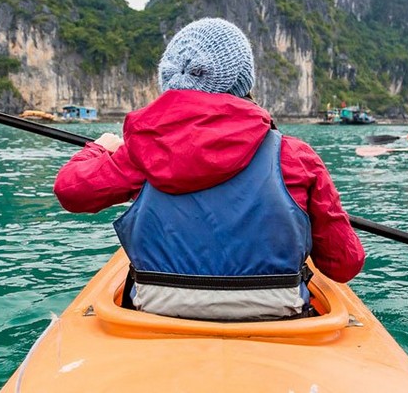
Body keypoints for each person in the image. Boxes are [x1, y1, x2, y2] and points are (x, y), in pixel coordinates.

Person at [54, 18, 365, 322]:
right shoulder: (296, 157)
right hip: (277, 315)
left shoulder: (139, 152)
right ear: (243, 81)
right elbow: (344, 265)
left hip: (157, 315)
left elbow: (70, 192)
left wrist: (100, 148)